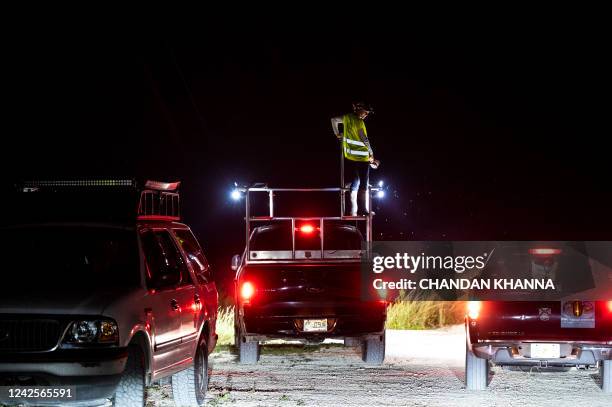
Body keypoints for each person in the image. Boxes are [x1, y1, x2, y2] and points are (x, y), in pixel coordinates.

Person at [331, 102, 380, 216]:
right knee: (364, 183)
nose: (366, 115)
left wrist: (338, 134)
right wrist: (371, 154)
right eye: (365, 112)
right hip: (362, 157)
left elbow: (333, 120)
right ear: (359, 109)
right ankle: (363, 210)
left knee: (356, 181)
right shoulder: (359, 122)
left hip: (350, 156)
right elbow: (364, 139)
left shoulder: (347, 118)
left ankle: (353, 210)